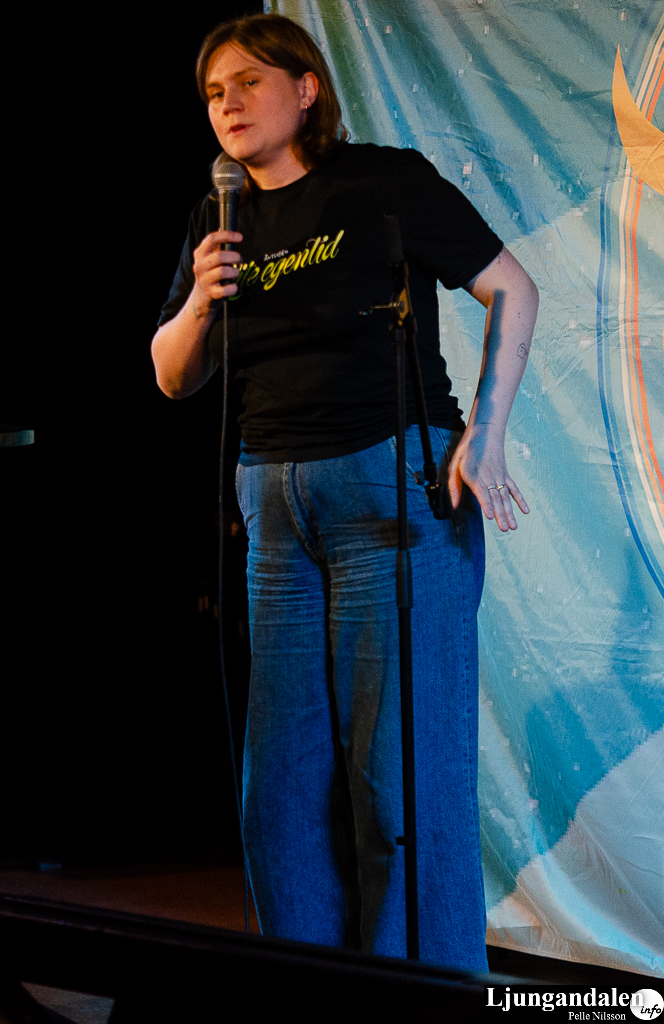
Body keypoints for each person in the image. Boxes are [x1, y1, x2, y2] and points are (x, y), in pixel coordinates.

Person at [151, 13, 538, 972]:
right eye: (213, 93)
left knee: (400, 779)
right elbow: (172, 375)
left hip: (392, 488)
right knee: (281, 790)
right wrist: (199, 297)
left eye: (248, 81)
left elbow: (513, 288)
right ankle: (308, 986)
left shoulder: (382, 182)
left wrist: (486, 432)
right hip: (274, 508)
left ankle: (425, 990)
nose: (228, 104)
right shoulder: (218, 219)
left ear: (306, 88)